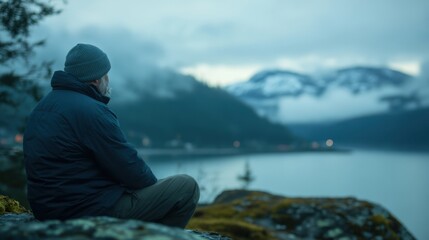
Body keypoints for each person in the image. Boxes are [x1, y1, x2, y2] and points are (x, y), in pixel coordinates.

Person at [23, 43, 199, 228]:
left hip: (48, 209)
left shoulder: (42, 107)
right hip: (86, 211)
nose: (108, 79)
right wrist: (153, 193)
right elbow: (131, 170)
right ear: (96, 79)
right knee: (185, 187)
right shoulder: (91, 111)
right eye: (106, 74)